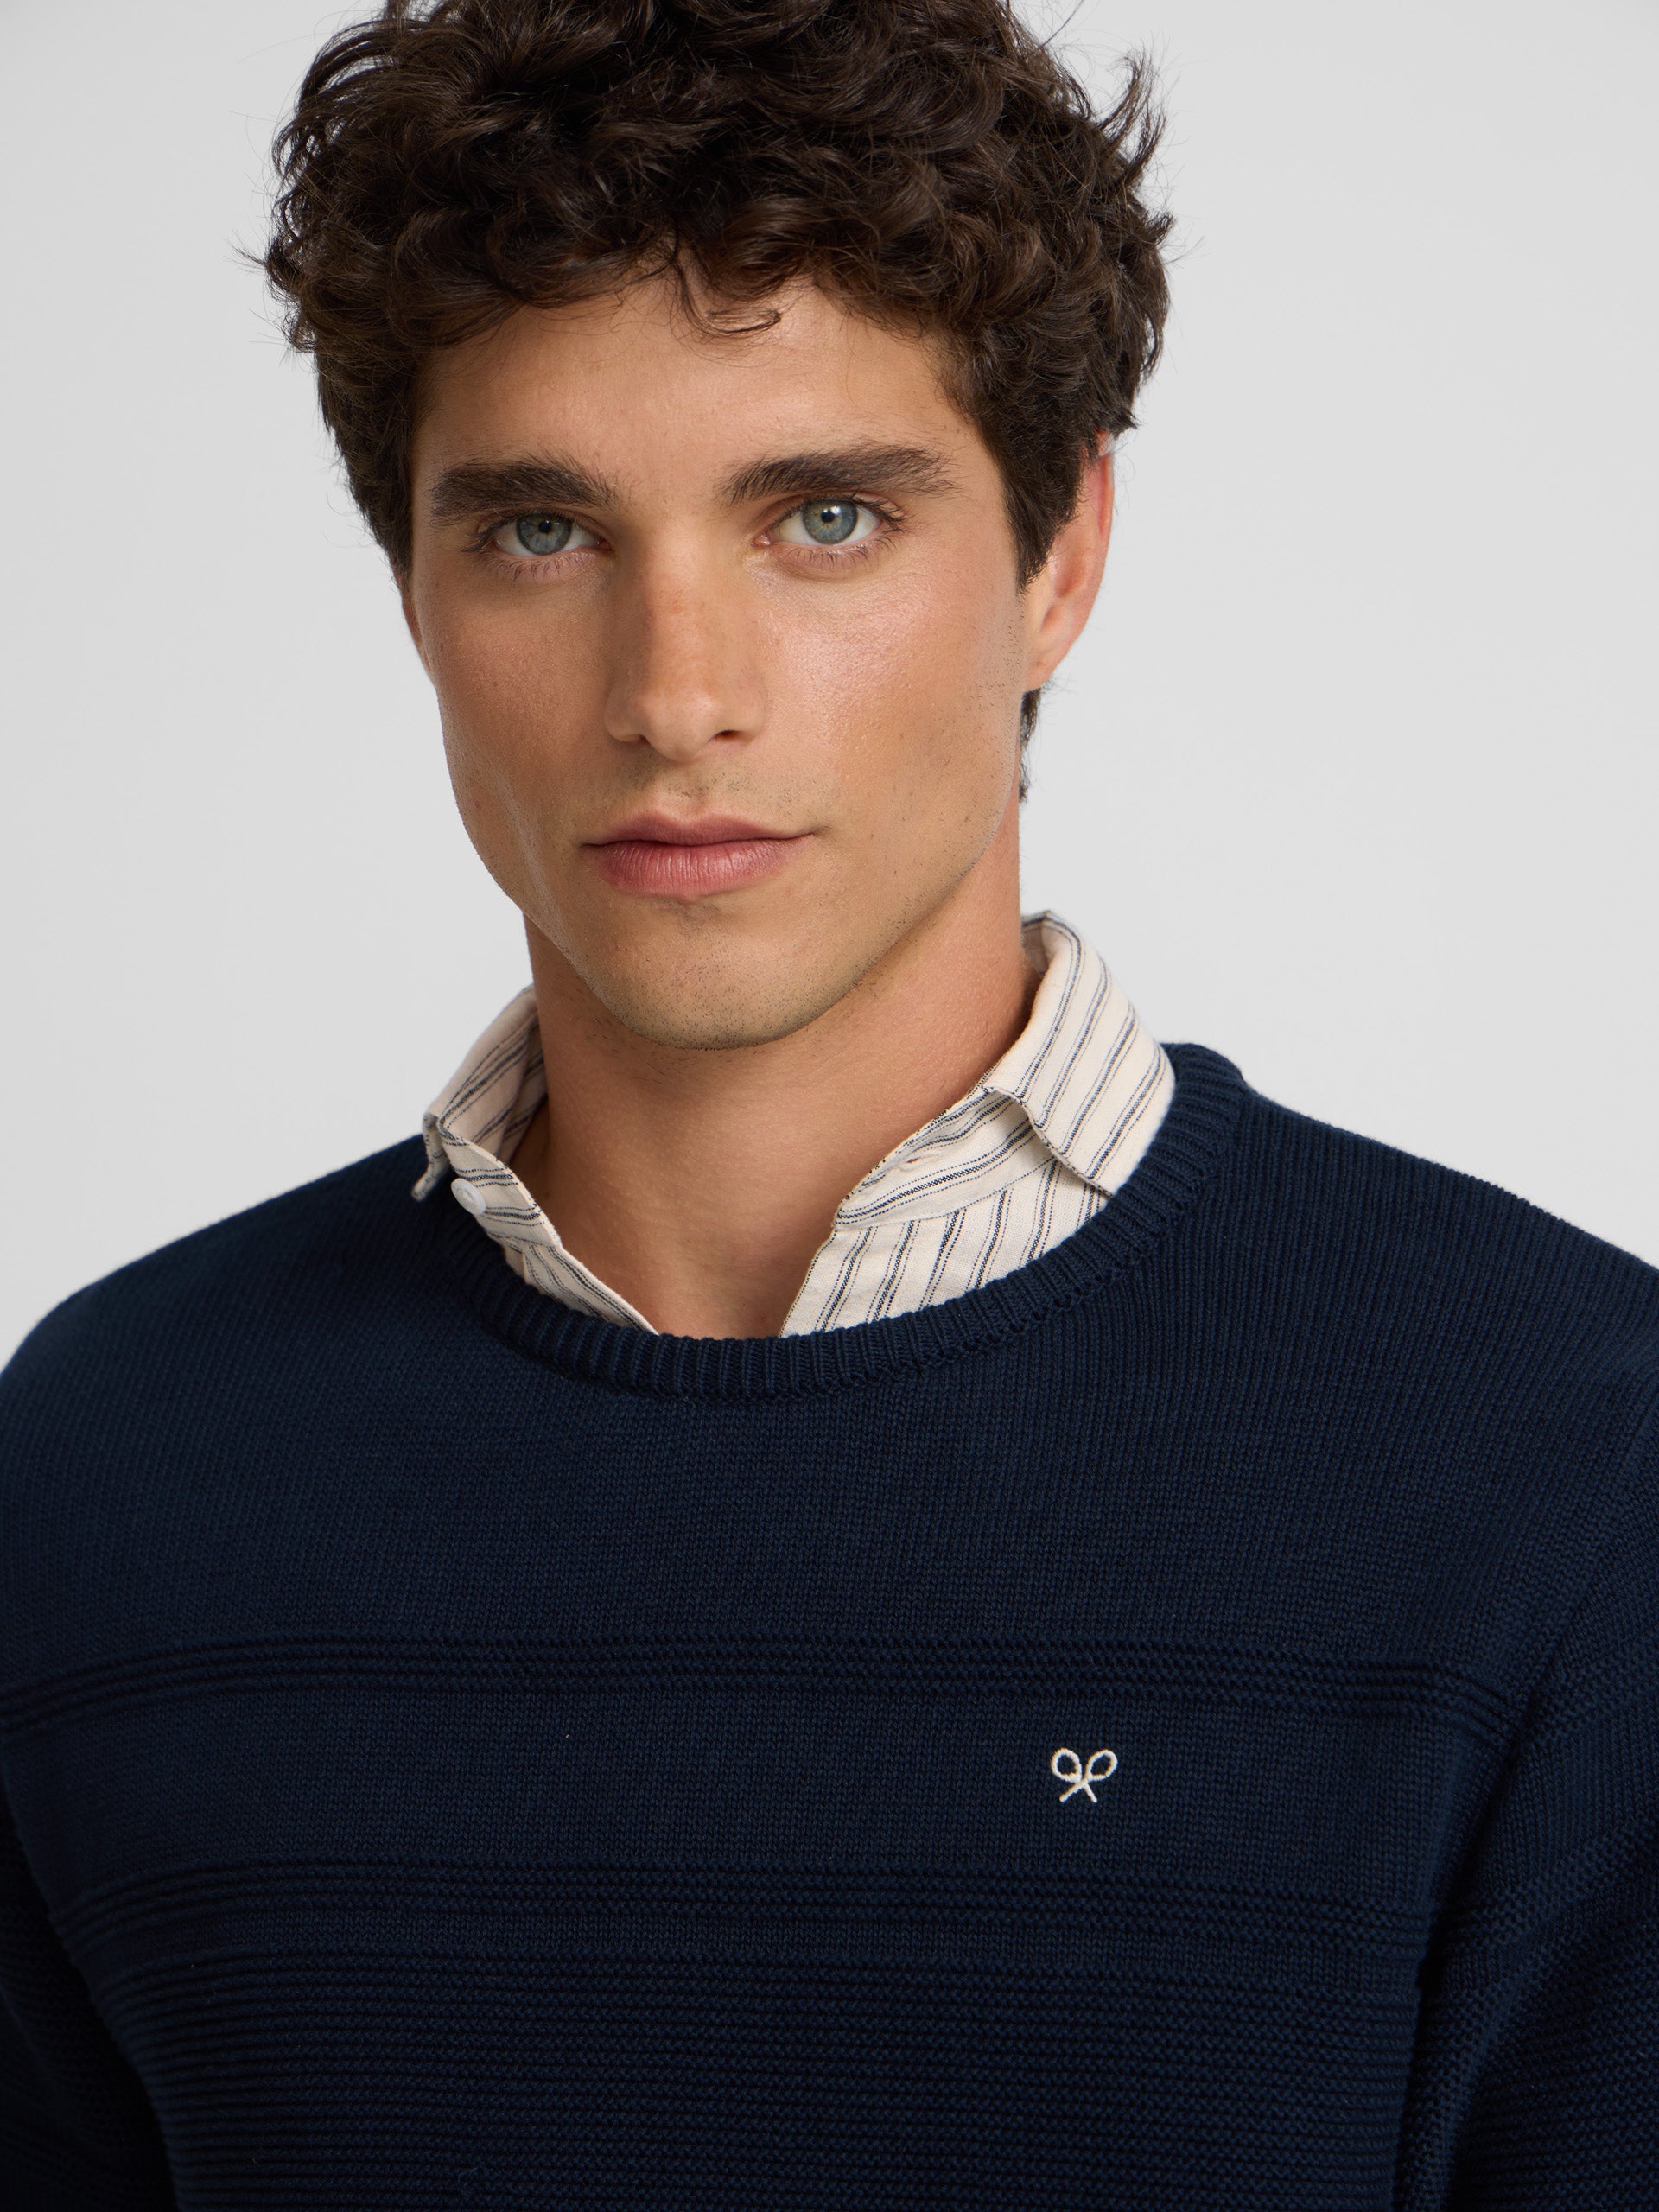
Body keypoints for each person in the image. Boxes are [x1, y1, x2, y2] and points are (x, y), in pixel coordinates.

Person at [1, 0, 1655, 2202]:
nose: (676, 693)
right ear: (410, 586)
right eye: (542, 532)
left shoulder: (1562, 1457)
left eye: (828, 516)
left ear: (1061, 556)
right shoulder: (108, 1465)